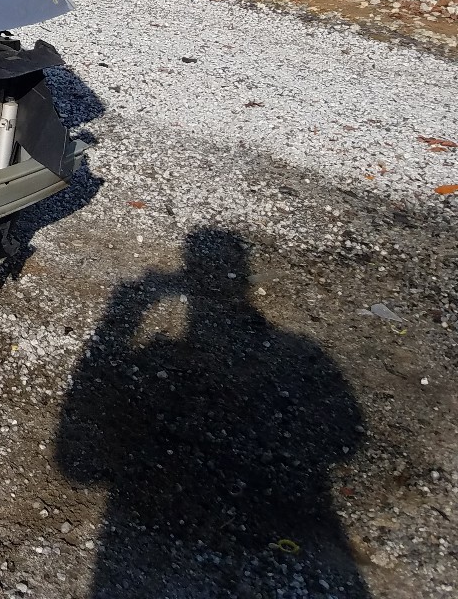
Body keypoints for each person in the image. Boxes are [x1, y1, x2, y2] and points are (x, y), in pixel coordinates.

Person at [56, 229, 368, 597]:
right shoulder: (298, 350)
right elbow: (347, 439)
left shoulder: (290, 352)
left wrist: (127, 309)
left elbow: (76, 464)